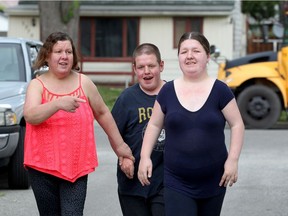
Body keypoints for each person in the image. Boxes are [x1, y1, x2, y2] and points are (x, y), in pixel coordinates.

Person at [23, 31, 134, 216]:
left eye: (68, 51)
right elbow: (30, 115)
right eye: (58, 51)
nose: (64, 56)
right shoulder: (37, 85)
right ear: (47, 56)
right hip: (41, 167)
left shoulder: (84, 83)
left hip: (76, 166)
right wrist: (58, 104)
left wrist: (120, 146)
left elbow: (103, 113)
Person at [138, 32, 245, 216]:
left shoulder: (221, 90)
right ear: (178, 57)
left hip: (215, 180)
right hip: (177, 181)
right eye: (184, 51)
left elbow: (237, 124)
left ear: (207, 56)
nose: (189, 56)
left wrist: (233, 160)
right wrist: (145, 157)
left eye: (196, 51)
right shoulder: (167, 91)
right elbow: (154, 125)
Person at [111, 43, 166, 216]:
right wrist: (123, 156)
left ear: (161, 66)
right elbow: (113, 134)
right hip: (132, 183)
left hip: (166, 181)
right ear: (134, 69)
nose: (146, 71)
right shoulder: (127, 99)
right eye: (141, 67)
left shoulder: (173, 94)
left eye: (151, 66)